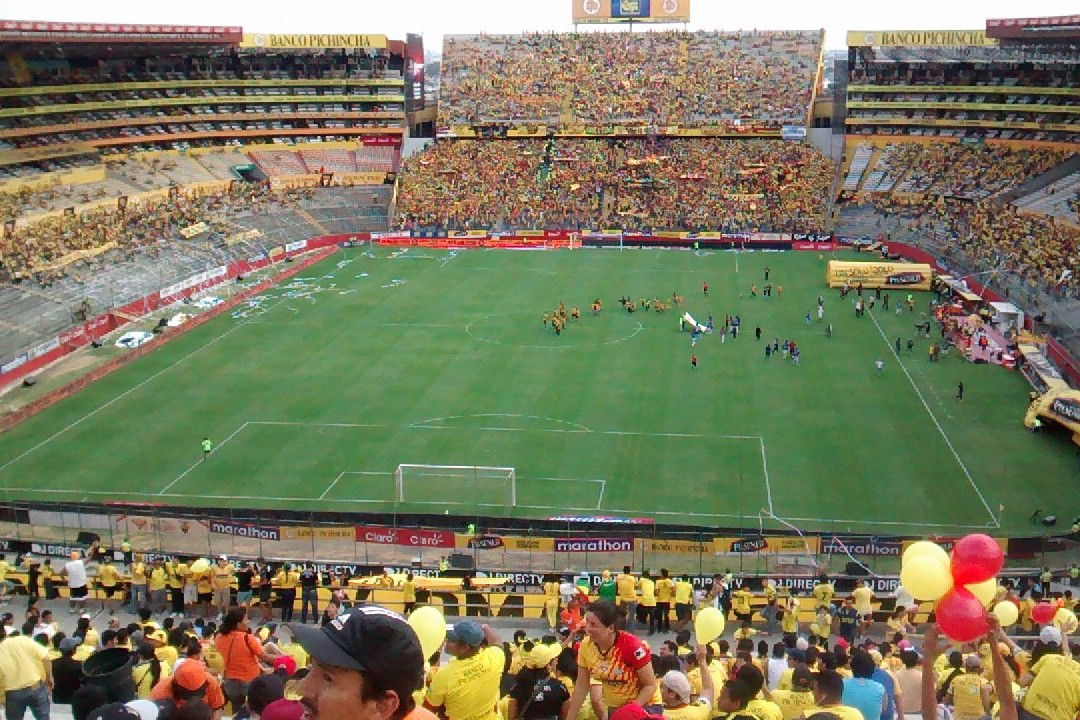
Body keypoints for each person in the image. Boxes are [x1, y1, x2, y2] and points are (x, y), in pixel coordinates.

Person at [567, 601, 657, 720]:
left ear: (610, 628)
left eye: (593, 624)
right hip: (613, 708)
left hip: (643, 707)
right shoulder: (585, 646)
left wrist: (629, 711)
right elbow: (581, 686)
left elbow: (650, 685)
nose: (588, 629)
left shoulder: (633, 647)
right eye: (587, 622)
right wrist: (570, 717)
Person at [425, 620, 504, 720]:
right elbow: (497, 641)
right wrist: (484, 628)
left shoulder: (445, 675)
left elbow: (430, 707)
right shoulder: (494, 657)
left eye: (452, 640)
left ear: (465, 647)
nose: (446, 641)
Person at [216, 607, 282, 712]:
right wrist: (282, 659)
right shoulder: (247, 638)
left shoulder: (219, 637)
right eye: (246, 620)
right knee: (251, 711)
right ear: (238, 624)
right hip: (248, 682)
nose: (248, 622)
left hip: (229, 682)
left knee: (236, 711)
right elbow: (264, 657)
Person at [0, 626, 54, 719]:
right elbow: (46, 657)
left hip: (13, 692)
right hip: (35, 686)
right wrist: (49, 678)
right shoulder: (23, 640)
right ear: (5, 632)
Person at [507, 641, 569, 720]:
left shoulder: (519, 685)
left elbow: (511, 716)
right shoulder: (559, 687)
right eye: (554, 660)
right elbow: (566, 716)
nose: (556, 662)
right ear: (548, 665)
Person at [149, 655, 226, 716]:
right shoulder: (160, 693)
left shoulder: (211, 682)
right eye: (188, 693)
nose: (193, 698)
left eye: (197, 692)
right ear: (176, 684)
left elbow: (217, 708)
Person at [660, 645, 714, 720]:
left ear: (672, 694)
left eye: (662, 687)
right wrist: (702, 661)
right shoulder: (698, 712)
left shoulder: (659, 716)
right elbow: (708, 689)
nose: (659, 690)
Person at [842, 650, 886, 720]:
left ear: (852, 667)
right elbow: (883, 710)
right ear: (872, 668)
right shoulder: (880, 688)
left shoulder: (842, 684)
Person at [51, 637, 84, 705]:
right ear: (73, 650)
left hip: (57, 698)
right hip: (73, 698)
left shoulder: (52, 663)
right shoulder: (79, 665)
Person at [65, 550, 89, 615]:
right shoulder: (81, 562)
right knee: (82, 597)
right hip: (81, 583)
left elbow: (62, 572)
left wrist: (63, 579)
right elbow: (89, 559)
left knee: (72, 597)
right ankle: (81, 609)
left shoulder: (67, 565)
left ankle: (72, 609)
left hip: (72, 584)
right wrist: (92, 551)